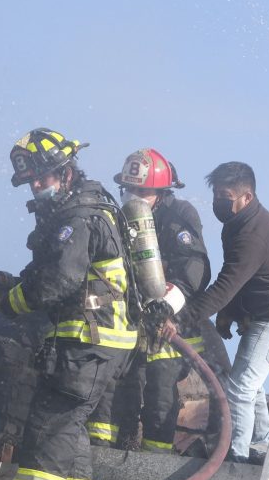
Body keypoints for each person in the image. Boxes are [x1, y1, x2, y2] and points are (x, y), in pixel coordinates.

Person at [0, 128, 137, 480]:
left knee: (50, 420)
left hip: (89, 341)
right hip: (99, 342)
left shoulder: (77, 218)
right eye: (31, 181)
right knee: (70, 423)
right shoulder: (82, 211)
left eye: (42, 177)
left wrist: (12, 303)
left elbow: (58, 281)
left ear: (67, 172)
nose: (36, 186)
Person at [175, 162, 269, 464]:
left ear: (247, 196)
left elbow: (227, 285)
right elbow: (237, 278)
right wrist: (227, 313)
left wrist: (183, 318)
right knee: (249, 384)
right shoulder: (236, 223)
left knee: (240, 388)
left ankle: (238, 457)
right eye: (216, 194)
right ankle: (261, 443)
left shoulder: (252, 234)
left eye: (226, 196)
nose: (219, 202)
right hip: (261, 318)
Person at [87, 147, 212, 452]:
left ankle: (155, 464)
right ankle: (103, 453)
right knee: (115, 389)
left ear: (161, 191)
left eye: (143, 191)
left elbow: (195, 269)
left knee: (160, 396)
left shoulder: (178, 216)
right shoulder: (119, 217)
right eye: (130, 189)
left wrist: (168, 306)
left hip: (170, 325)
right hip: (130, 322)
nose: (135, 197)